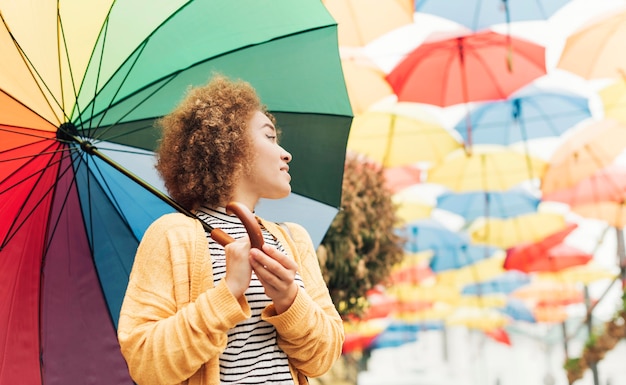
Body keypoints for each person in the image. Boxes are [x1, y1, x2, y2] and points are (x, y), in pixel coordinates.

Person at [117, 74, 344, 385]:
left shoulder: (292, 238)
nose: (286, 154)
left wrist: (289, 298)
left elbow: (323, 357)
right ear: (231, 147)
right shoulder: (173, 235)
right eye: (270, 137)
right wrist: (227, 293)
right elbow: (145, 364)